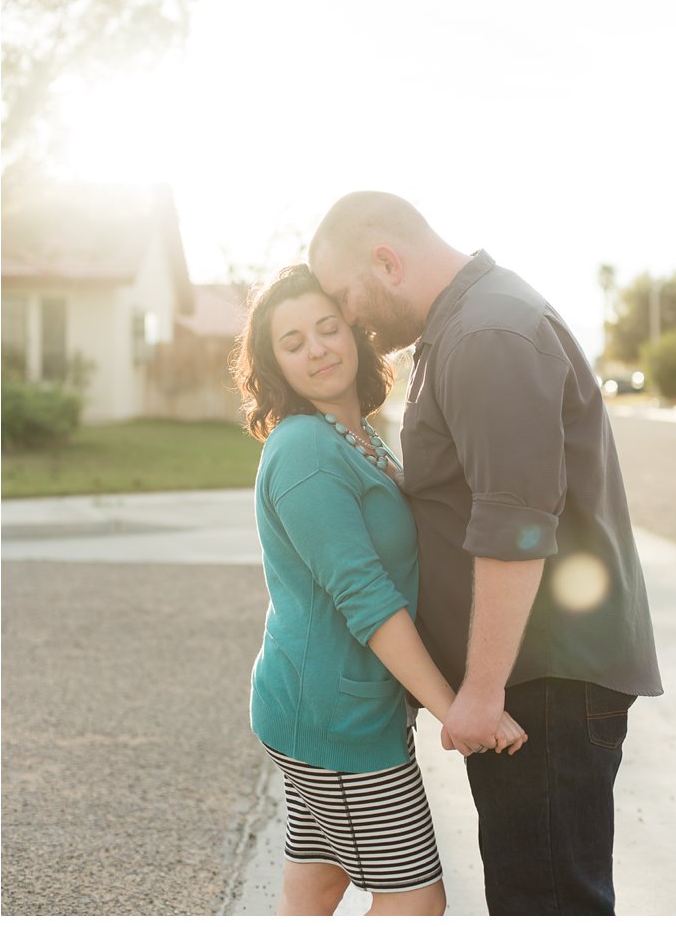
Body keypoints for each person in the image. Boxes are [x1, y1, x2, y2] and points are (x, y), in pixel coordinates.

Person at [308, 191, 662, 914]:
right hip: (533, 682)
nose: (351, 323)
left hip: (542, 685)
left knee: (547, 902)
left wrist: (481, 689)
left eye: (347, 299)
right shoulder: (462, 328)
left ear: (386, 260)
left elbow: (516, 525)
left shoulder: (488, 333)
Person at [230, 264, 526, 917]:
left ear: (356, 334)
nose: (317, 348)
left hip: (323, 712)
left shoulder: (359, 437)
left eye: (328, 328)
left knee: (317, 884)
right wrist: (456, 708)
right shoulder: (305, 449)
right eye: (293, 340)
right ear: (274, 362)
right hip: (337, 725)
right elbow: (365, 597)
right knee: (415, 899)